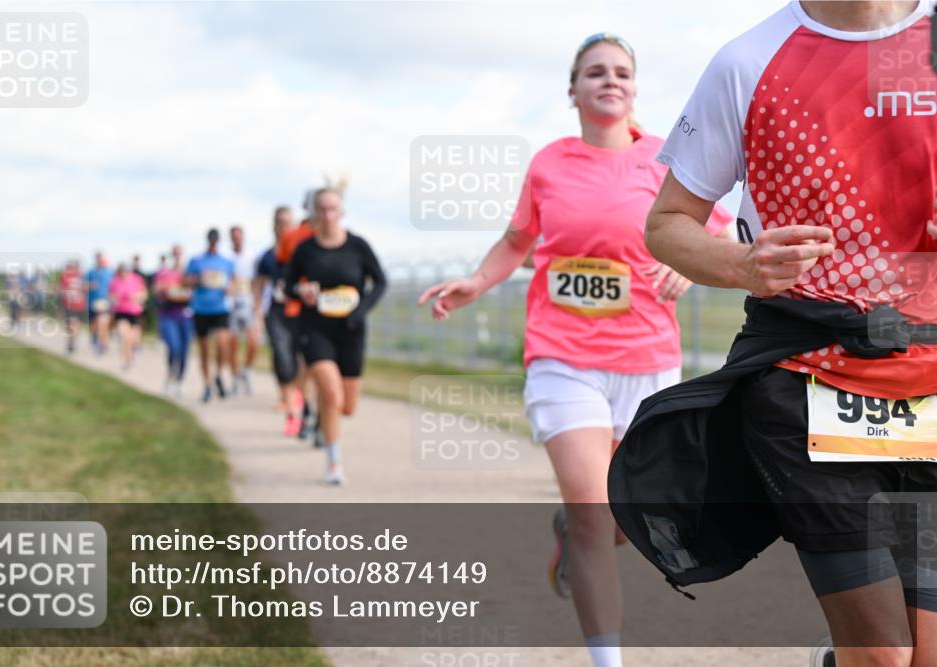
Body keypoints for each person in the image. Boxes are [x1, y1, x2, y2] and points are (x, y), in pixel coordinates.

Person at [636, 2, 937, 666]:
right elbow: (667, 223)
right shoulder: (747, 61)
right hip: (807, 380)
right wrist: (741, 263)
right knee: (884, 654)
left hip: (929, 383)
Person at [419, 33, 733, 667]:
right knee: (592, 511)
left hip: (647, 360)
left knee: (630, 519)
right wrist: (477, 282)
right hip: (562, 357)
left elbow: (719, 235)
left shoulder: (666, 161)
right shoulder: (549, 164)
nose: (609, 80)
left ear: (634, 89)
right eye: (595, 72)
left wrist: (690, 265)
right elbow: (517, 241)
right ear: (573, 91)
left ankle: (572, 535)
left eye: (621, 72)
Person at [285, 188, 387, 484]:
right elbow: (288, 284)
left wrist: (361, 311)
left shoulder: (357, 246)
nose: (328, 215)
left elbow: (380, 282)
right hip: (316, 328)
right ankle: (334, 462)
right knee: (330, 391)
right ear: (314, 213)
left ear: (341, 211)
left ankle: (323, 418)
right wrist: (300, 290)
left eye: (333, 208)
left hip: (351, 330)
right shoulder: (305, 250)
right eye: (322, 209)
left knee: (347, 406)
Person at [255, 206, 306, 433]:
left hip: (300, 310)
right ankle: (288, 401)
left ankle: (298, 395)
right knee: (281, 353)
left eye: (289, 222)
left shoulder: (302, 251)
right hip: (276, 310)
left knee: (300, 356)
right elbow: (259, 284)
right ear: (274, 226)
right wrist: (257, 312)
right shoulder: (267, 256)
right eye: (281, 223)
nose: (285, 227)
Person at [276, 192, 320, 439]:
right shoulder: (293, 237)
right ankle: (306, 410)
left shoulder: (341, 237)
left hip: (331, 310)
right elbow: (285, 271)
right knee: (305, 364)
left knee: (322, 366)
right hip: (299, 310)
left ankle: (320, 416)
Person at [185, 228, 235, 403]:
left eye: (216, 240)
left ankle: (218, 375)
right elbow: (186, 281)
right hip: (201, 308)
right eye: (211, 240)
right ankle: (207, 385)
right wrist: (200, 278)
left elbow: (233, 282)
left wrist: (230, 288)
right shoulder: (196, 260)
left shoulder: (226, 261)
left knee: (223, 345)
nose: (213, 243)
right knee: (204, 349)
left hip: (220, 308)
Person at [227, 224, 262, 396]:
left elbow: (257, 281)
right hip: (231, 305)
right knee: (232, 345)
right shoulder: (227, 258)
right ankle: (234, 378)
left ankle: (246, 371)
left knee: (254, 341)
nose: (237, 240)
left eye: (239, 236)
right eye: (234, 237)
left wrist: (257, 304)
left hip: (248, 303)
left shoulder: (252, 257)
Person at [154, 245, 193, 397]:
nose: (177, 256)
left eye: (180, 253)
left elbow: (193, 289)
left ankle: (180, 380)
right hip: (168, 314)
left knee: (184, 351)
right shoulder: (164, 273)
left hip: (185, 315)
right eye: (175, 253)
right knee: (174, 347)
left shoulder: (188, 272)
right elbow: (157, 289)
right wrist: (169, 288)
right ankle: (171, 375)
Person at [108, 262, 147, 371]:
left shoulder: (136, 279)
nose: (123, 273)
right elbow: (111, 295)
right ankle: (127, 361)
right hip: (121, 312)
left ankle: (134, 350)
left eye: (125, 270)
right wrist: (114, 299)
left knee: (134, 338)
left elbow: (144, 294)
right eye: (121, 271)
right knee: (125, 337)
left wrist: (137, 297)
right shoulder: (115, 281)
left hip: (135, 312)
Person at [85, 252, 114, 355]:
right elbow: (84, 287)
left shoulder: (110, 273)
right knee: (95, 323)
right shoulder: (90, 272)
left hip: (105, 302)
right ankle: (95, 338)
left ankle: (103, 344)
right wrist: (89, 286)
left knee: (103, 323)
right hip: (92, 302)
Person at [58, 259, 87, 354]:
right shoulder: (66, 276)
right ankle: (72, 341)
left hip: (78, 305)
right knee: (72, 324)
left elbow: (61, 291)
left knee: (74, 324)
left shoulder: (81, 277)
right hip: (71, 305)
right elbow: (62, 291)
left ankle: (72, 342)